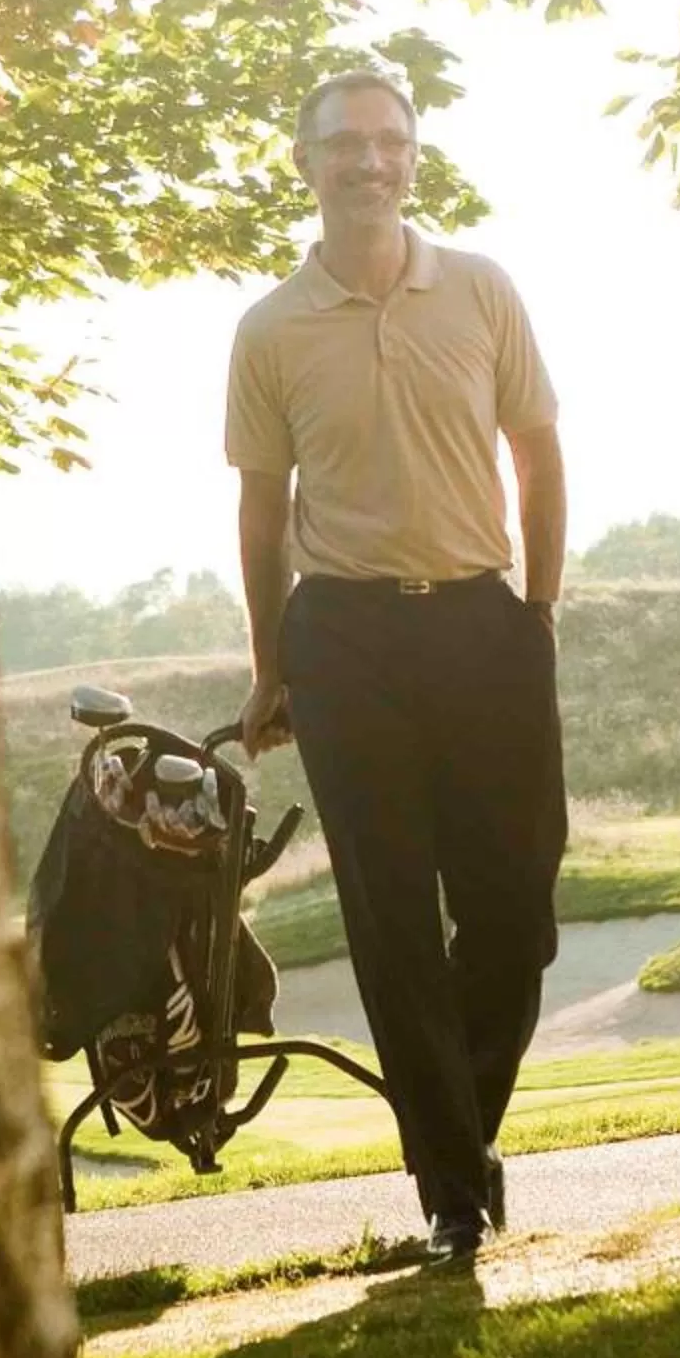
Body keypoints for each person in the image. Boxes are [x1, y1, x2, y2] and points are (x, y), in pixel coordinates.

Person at [225, 69, 567, 1265]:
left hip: (483, 625)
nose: (369, 160)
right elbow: (262, 518)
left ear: (413, 157)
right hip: (346, 641)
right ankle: (453, 1197)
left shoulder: (479, 289)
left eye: (389, 141)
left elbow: (538, 454)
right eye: (345, 144)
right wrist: (272, 666)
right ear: (306, 162)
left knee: (516, 908)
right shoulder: (268, 329)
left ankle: (460, 1139)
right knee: (390, 924)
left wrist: (538, 614)